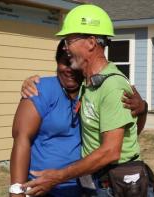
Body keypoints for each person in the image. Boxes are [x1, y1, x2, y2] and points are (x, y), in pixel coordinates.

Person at [23, 4, 146, 197]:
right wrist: (29, 83)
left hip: (116, 185)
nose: (65, 47)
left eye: (69, 40)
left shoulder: (111, 86)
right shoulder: (88, 83)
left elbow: (111, 151)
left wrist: (58, 176)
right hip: (95, 180)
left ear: (90, 42)